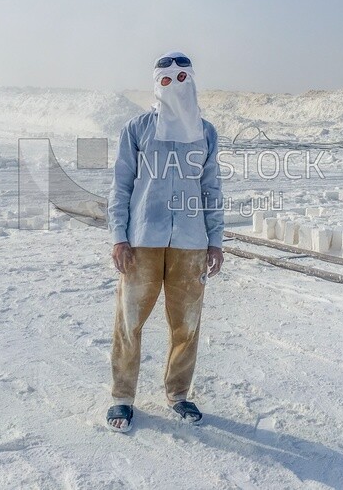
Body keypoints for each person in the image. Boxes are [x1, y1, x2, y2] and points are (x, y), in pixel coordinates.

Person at [105, 51, 225, 432]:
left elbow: (211, 188)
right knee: (129, 321)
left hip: (191, 243)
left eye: (182, 79)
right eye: (167, 80)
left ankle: (178, 393)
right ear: (156, 83)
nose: (175, 87)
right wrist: (119, 237)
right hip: (142, 239)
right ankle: (122, 397)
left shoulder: (205, 133)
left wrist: (215, 240)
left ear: (192, 81)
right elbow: (121, 185)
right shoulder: (137, 130)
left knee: (186, 324)